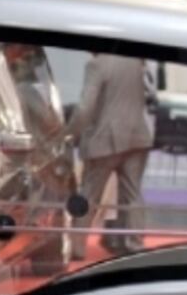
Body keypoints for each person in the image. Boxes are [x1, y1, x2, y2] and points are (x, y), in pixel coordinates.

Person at [65, 53, 154, 259]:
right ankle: (134, 244)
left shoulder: (96, 65)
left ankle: (76, 247)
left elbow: (85, 106)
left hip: (104, 139)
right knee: (132, 194)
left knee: (89, 195)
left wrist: (71, 132)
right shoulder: (136, 62)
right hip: (136, 136)